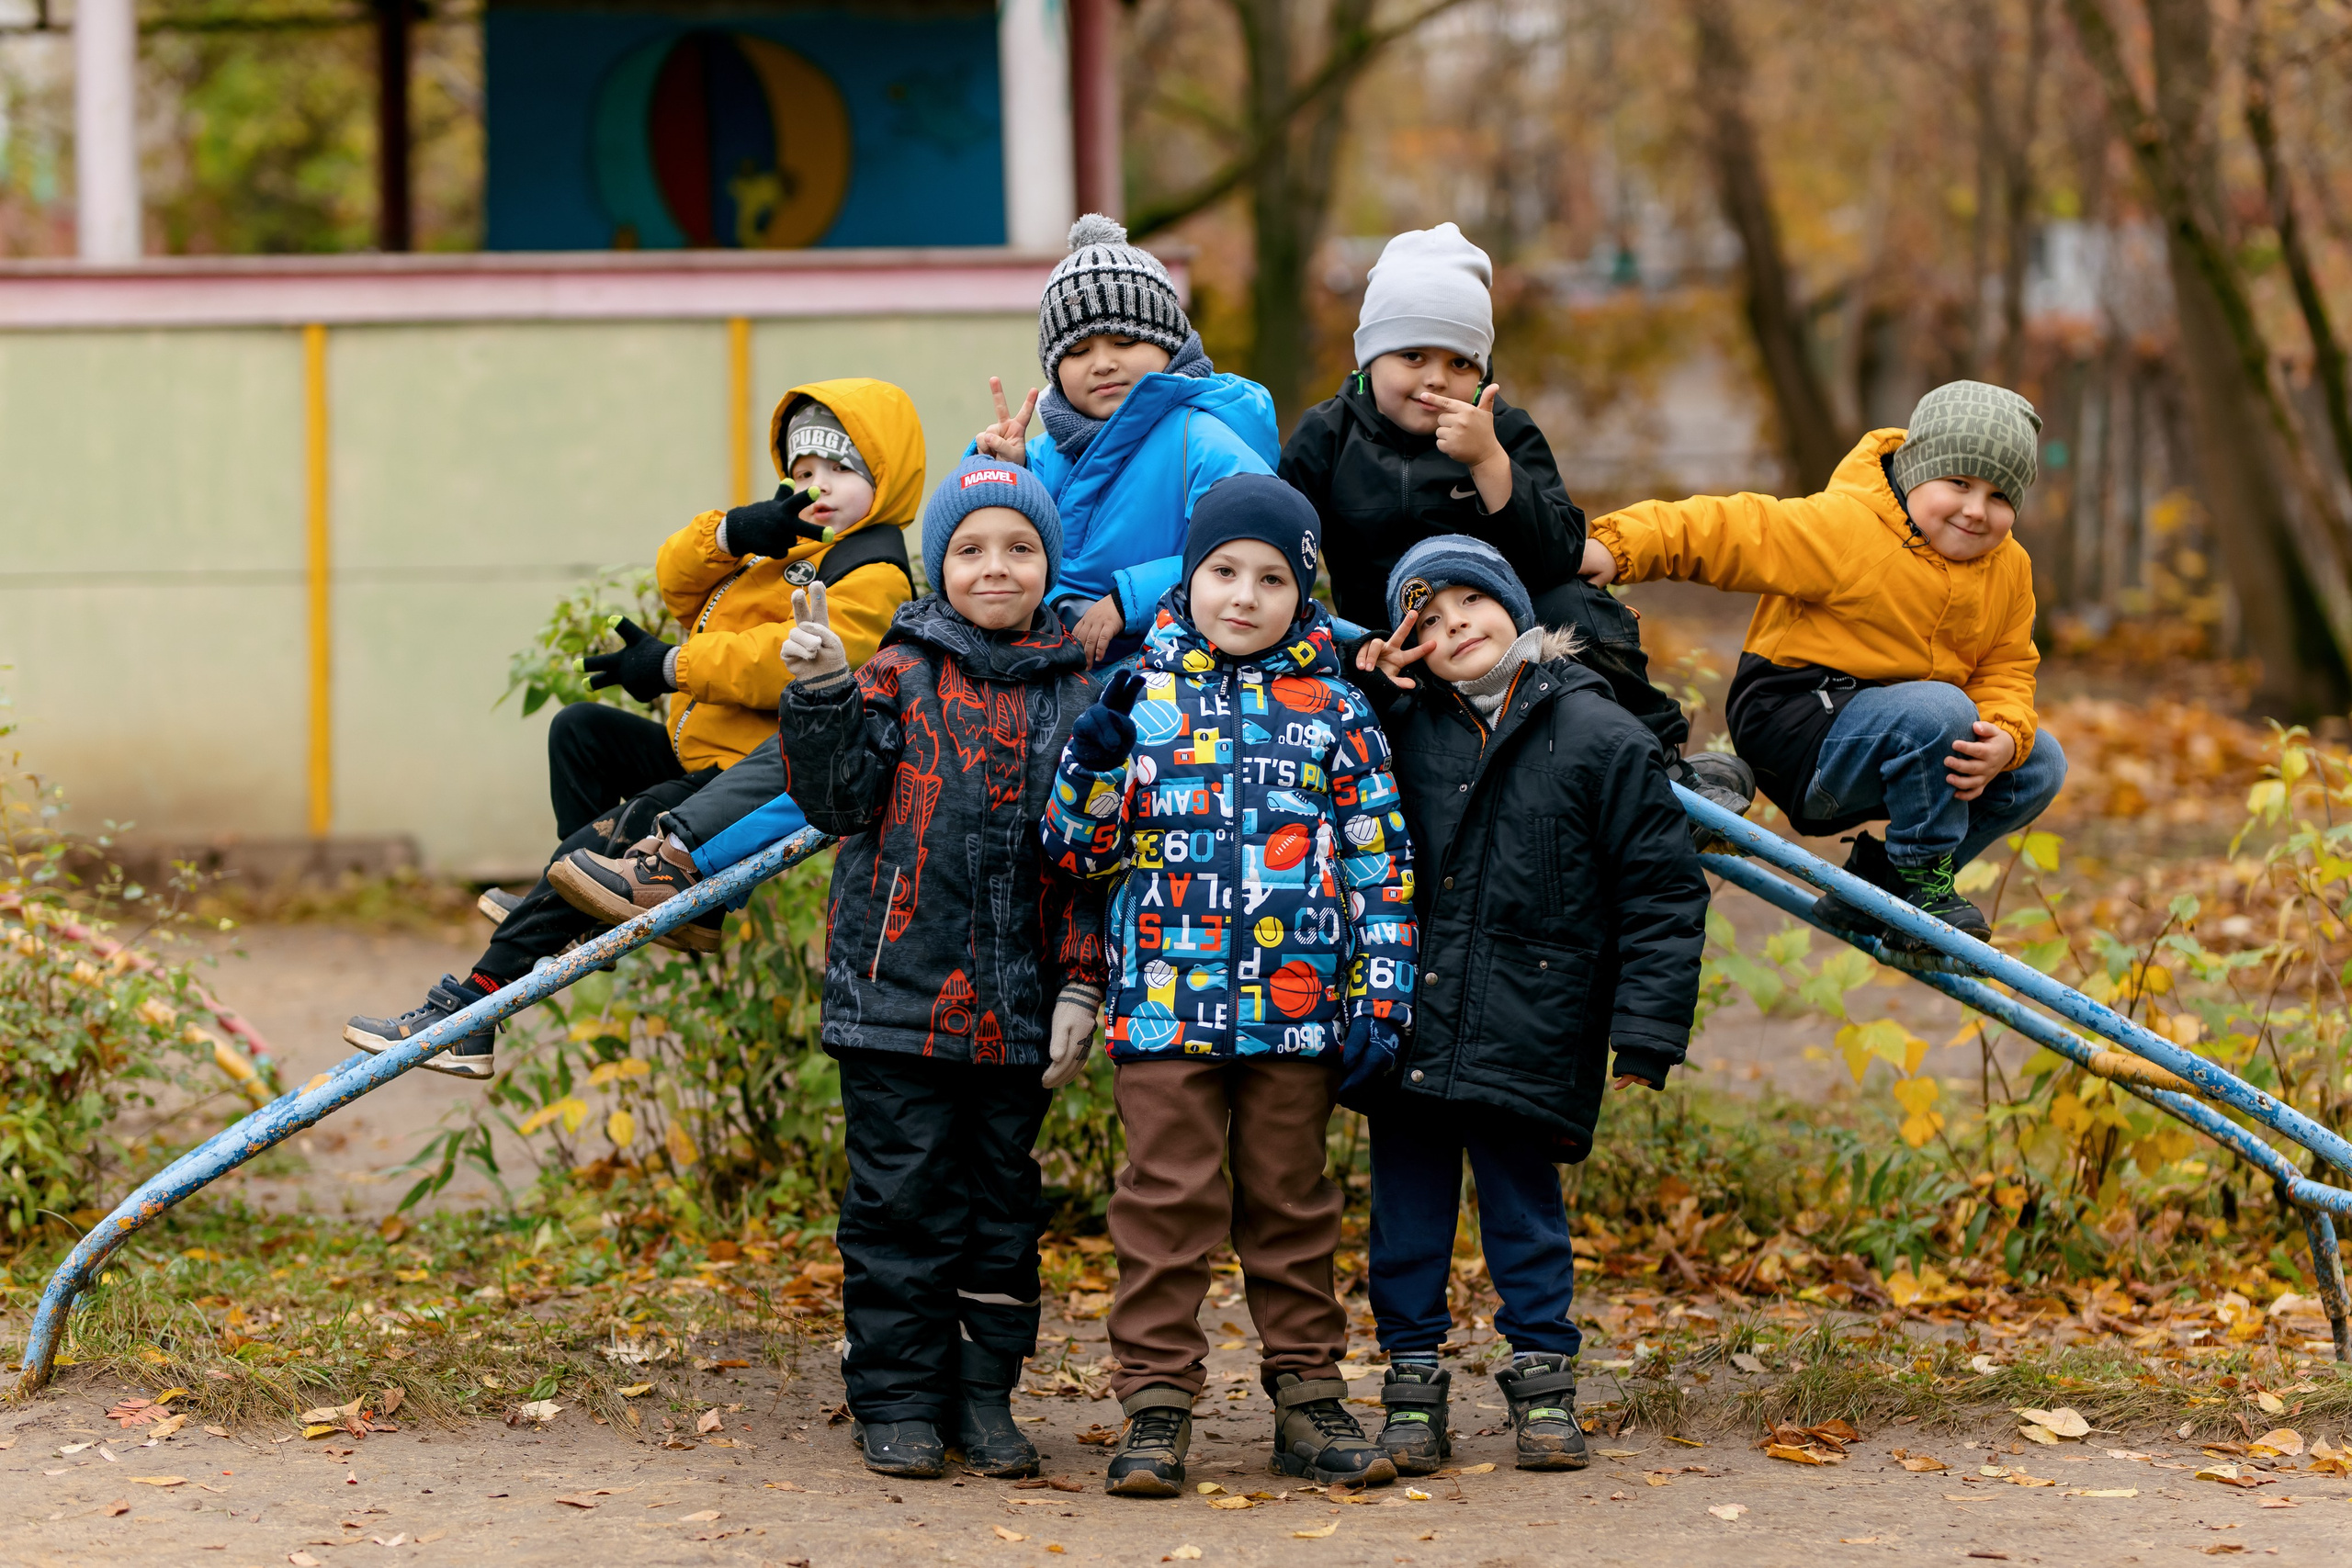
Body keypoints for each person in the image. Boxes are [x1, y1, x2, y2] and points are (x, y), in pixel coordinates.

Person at [343, 379, 924, 1077]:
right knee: (581, 731)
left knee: (633, 821)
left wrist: (675, 665)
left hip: (748, 774)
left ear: (885, 479)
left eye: (840, 470)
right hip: (699, 752)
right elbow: (676, 585)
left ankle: (469, 1015)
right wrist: (735, 532)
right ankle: (586, 903)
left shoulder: (873, 571)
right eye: (803, 472)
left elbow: (783, 661)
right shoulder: (782, 550)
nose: (817, 486)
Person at [1040, 474, 1415, 1498]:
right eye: (1220, 573)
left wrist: (1381, 998)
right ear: (1189, 580)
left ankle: (1308, 1400)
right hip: (1165, 1005)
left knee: (1292, 1206)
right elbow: (1076, 856)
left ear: (1304, 595)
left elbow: (1381, 862)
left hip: (1298, 1015)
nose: (1242, 597)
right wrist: (1092, 766)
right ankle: (1156, 1409)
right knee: (1165, 1205)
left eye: (1268, 579)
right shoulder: (1137, 698)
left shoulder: (1337, 708)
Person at [1350, 535, 1709, 1474]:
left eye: (1471, 601)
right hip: (1411, 1026)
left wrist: (1644, 1032)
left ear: (1514, 605)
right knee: (1407, 1220)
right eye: (1426, 617)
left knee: (1525, 1216)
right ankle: (1411, 1389)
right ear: (1406, 640)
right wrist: (1369, 683)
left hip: (1533, 1025)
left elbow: (1660, 892)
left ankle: (1544, 1387)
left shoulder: (1598, 733)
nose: (1454, 624)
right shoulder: (1388, 727)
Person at [783, 457, 1108, 1482]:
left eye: (1019, 547)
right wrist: (822, 692)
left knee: (1001, 1208)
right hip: (896, 1003)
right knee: (900, 1204)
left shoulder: (1084, 693)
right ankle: (898, 1398)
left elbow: (1095, 858)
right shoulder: (896, 673)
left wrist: (1082, 980)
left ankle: (985, 1395)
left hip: (1020, 1009)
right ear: (939, 568)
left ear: (1048, 563)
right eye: (970, 549)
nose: (995, 567)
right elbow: (837, 803)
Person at [1280, 222, 1751, 819]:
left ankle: (1661, 765)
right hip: (1393, 638)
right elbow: (1283, 541)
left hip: (1508, 632)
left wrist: (1490, 462)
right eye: (1412, 355)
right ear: (1371, 357)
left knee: (1580, 605)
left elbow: (1560, 551)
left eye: (1458, 361)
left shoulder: (1503, 431)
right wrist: (1345, 641)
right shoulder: (1328, 437)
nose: (1434, 378)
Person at [1581, 380, 2067, 948]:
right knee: (1941, 707)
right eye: (1958, 483)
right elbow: (1731, 531)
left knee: (2039, 762)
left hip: (1903, 740)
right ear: (1916, 470)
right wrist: (1614, 548)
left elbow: (2007, 667)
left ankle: (1880, 888)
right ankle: (1922, 880)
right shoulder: (1847, 528)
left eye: (2000, 497)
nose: (1975, 510)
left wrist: (2006, 736)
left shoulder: (2009, 570)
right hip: (1797, 725)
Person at [973, 214, 1280, 668]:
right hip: (1046, 661)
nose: (1102, 364)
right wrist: (1006, 474)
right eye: (1078, 351)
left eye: (1123, 341)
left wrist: (1128, 599)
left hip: (1176, 665)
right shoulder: (1040, 454)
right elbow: (968, 538)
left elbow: (1255, 544)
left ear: (1170, 344)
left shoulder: (1202, 438)